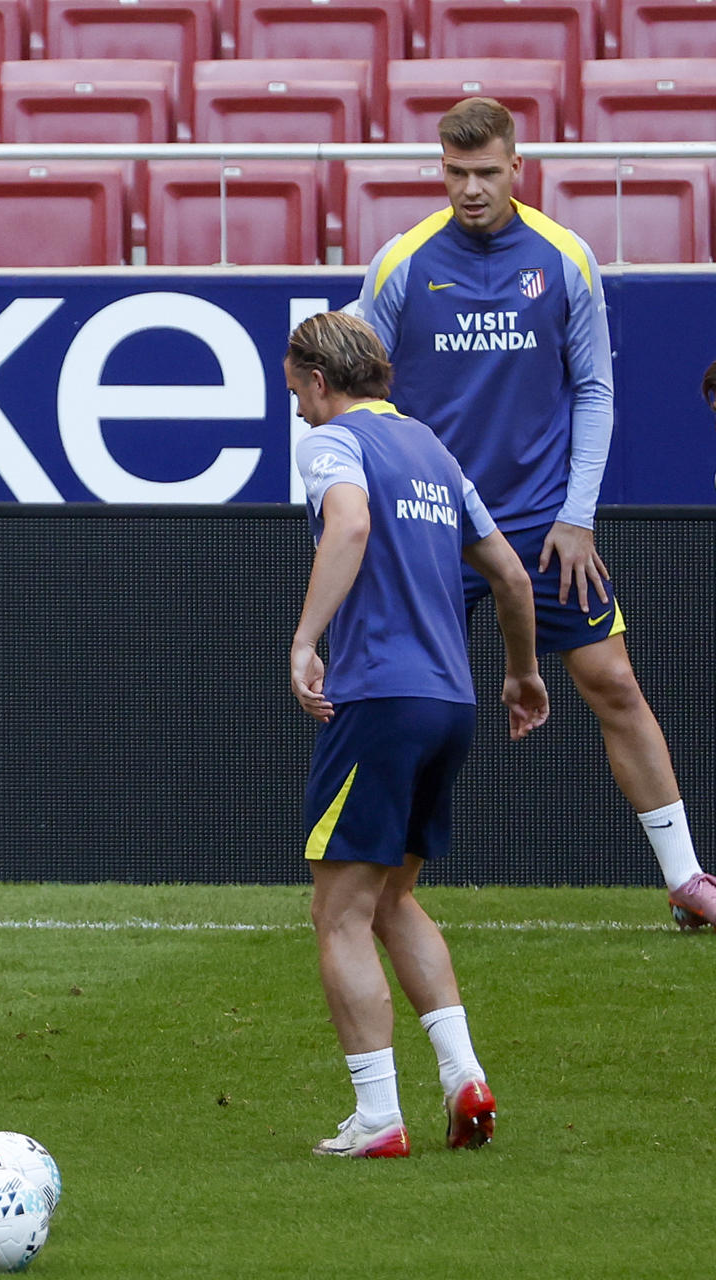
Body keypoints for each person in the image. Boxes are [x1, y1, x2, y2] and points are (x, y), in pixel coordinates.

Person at [360, 97, 716, 929]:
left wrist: (578, 514)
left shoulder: (565, 258)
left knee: (613, 681)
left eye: (486, 173)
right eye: (455, 173)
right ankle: (375, 878)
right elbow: (350, 383)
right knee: (403, 701)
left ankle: (687, 880)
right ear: (440, 169)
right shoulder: (401, 265)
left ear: (519, 169)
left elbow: (593, 387)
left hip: (541, 522)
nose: (471, 189)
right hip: (428, 522)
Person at [286, 312, 549, 1157]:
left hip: (379, 698)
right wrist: (523, 671)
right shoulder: (434, 450)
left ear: (321, 382)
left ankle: (376, 1118)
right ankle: (463, 1078)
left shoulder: (333, 443)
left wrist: (304, 641)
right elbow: (509, 572)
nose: (296, 410)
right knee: (394, 896)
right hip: (452, 700)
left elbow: (351, 525)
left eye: (296, 392)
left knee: (339, 911)